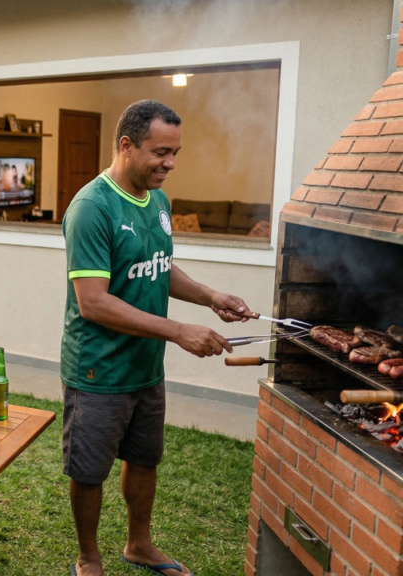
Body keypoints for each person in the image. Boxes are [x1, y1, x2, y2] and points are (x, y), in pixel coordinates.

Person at [61, 99, 253, 576]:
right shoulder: (91, 207)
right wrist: (178, 331)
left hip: (146, 367)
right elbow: (94, 302)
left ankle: (139, 545)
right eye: (161, 152)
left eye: (176, 153)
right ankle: (88, 558)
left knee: (144, 459)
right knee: (89, 470)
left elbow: (158, 268)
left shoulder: (158, 201)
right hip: (98, 368)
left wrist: (210, 297)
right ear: (126, 146)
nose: (170, 163)